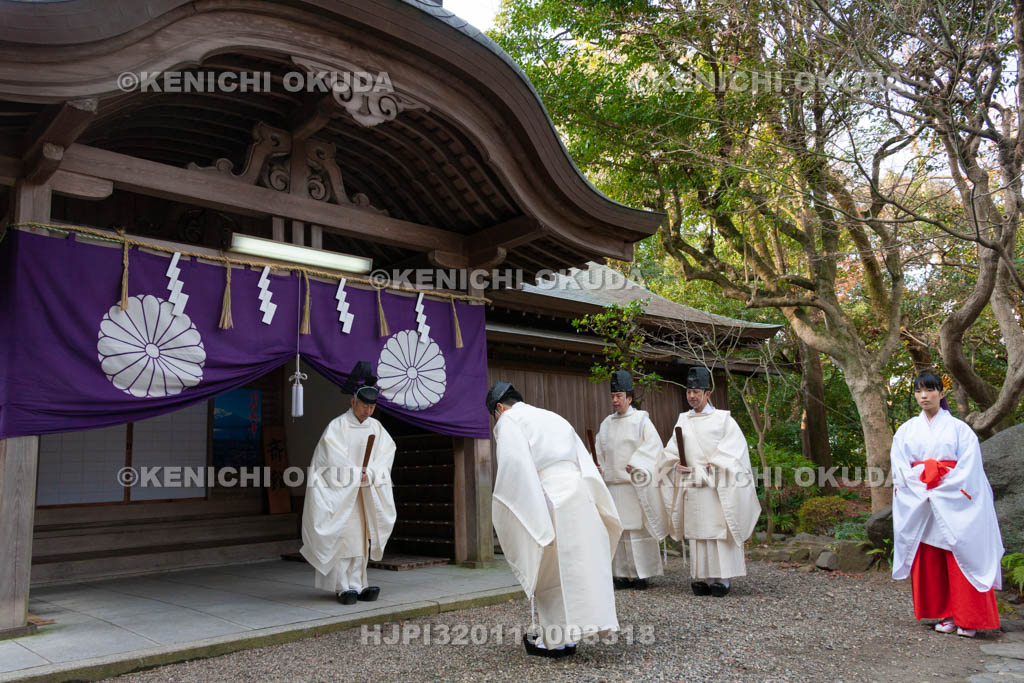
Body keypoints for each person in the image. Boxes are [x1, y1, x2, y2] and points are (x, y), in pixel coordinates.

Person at [487, 381, 621, 658]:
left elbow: (515, 468)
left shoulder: (510, 420)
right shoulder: (553, 417)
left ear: (499, 408)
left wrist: (525, 509)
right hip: (580, 495)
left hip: (549, 497)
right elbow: (583, 461)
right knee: (578, 567)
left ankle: (556, 641)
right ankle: (573, 634)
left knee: (549, 570)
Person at [890, 372, 1003, 637]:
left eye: (930, 390)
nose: (924, 396)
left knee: (961, 555)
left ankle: (969, 618)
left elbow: (970, 469)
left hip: (954, 499)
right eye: (918, 391)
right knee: (933, 559)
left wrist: (940, 480)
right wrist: (924, 479)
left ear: (942, 394)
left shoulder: (960, 430)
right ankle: (946, 614)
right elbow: (900, 468)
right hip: (924, 502)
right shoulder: (906, 430)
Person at [300, 361, 396, 605]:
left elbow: (386, 454)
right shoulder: (337, 427)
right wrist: (355, 474)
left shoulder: (377, 428)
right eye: (364, 406)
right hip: (342, 495)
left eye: (372, 407)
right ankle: (343, 586)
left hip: (365, 493)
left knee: (361, 540)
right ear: (353, 402)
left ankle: (359, 583)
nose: (367, 411)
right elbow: (330, 459)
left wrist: (372, 474)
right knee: (345, 539)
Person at [664, 367, 760, 597]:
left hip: (716, 487)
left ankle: (722, 578)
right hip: (692, 485)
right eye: (689, 391)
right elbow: (670, 451)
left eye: (696, 391)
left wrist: (714, 466)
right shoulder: (683, 420)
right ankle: (703, 577)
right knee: (699, 534)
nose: (692, 396)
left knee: (718, 532)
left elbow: (735, 453)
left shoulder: (723, 420)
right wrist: (676, 465)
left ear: (708, 393)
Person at [595, 370, 674, 589]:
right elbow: (600, 449)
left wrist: (637, 463)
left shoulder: (641, 421)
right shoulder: (606, 423)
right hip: (613, 485)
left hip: (633, 485)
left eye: (619, 396)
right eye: (612, 396)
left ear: (629, 398)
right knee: (617, 530)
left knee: (637, 530)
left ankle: (641, 574)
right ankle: (620, 573)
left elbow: (653, 447)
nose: (615, 400)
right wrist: (600, 466)